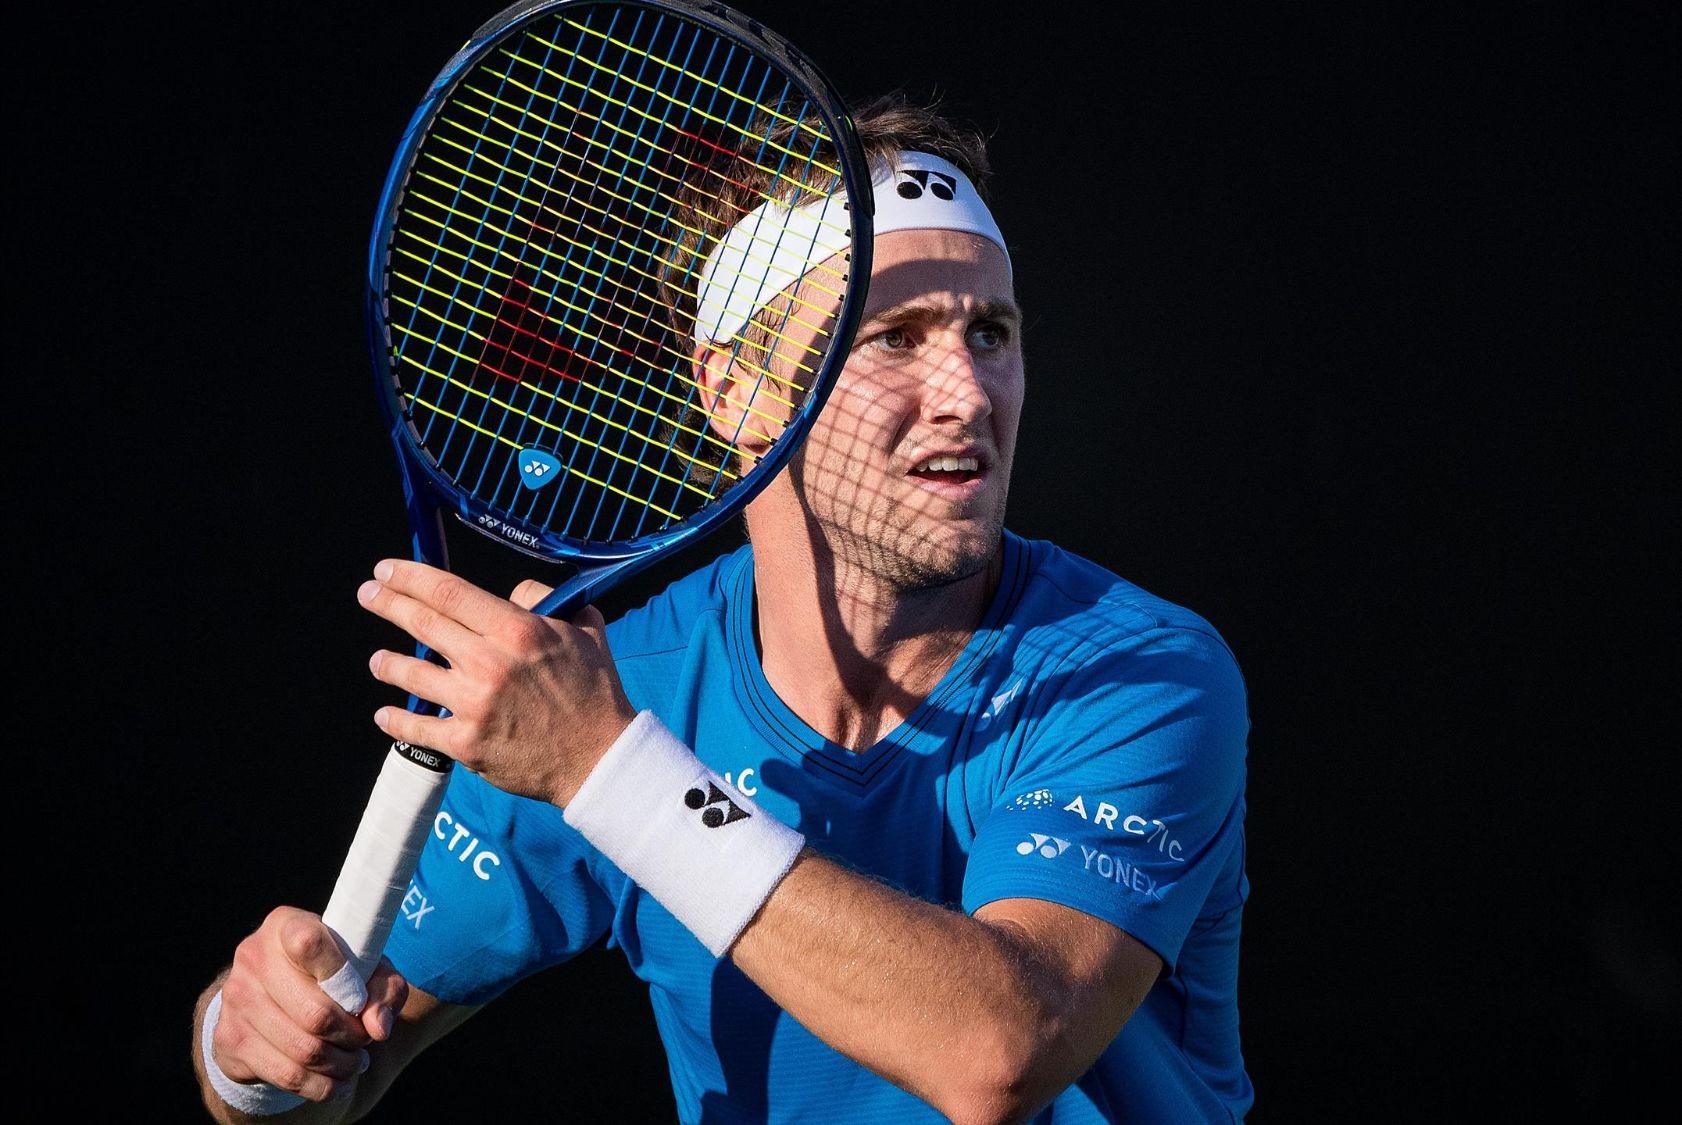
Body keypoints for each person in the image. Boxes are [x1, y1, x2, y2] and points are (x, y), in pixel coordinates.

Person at [190, 90, 1254, 1123]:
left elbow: (997, 1055)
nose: (969, 393)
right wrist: (246, 1052)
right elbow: (328, 1071)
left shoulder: (1144, 670)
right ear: (734, 390)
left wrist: (609, 770)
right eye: (893, 338)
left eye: (990, 334)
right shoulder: (617, 696)